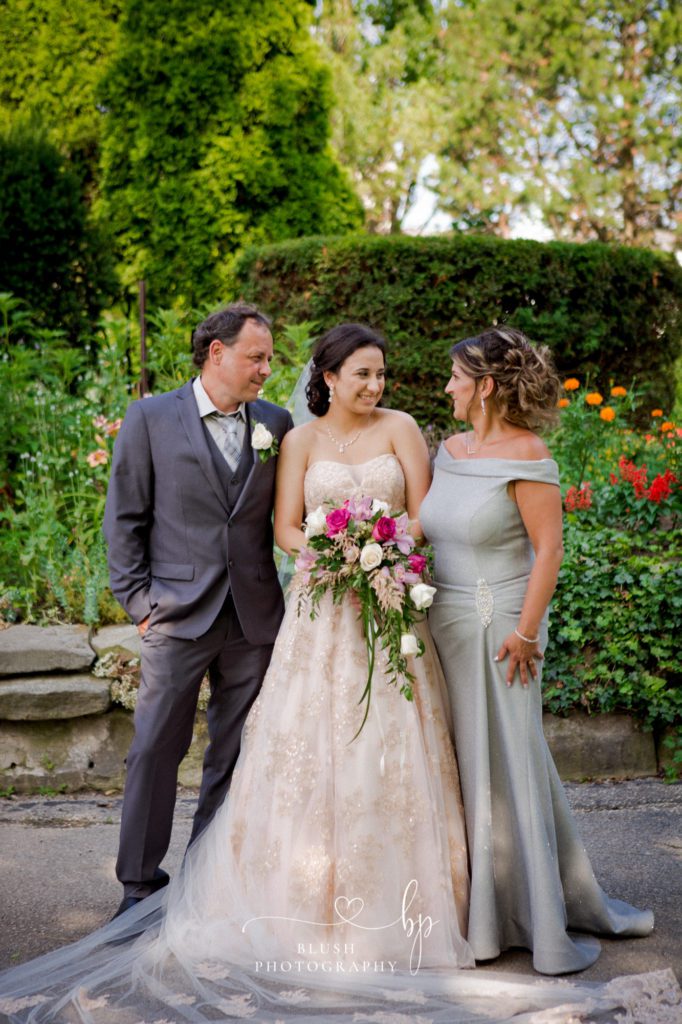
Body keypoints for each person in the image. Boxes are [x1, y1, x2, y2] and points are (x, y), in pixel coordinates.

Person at [0, 324, 678, 1023]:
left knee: (393, 747)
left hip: (388, 604)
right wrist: (334, 549)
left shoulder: (401, 430)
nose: (376, 385)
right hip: (316, 613)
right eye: (363, 374)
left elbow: (426, 516)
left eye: (381, 374)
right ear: (327, 378)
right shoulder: (293, 438)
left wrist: (381, 552)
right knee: (278, 750)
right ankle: (168, 888)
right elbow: (284, 527)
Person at [421, 326, 655, 976]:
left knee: (511, 757)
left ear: (485, 386)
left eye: (456, 377)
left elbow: (548, 550)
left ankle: (534, 917)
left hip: (504, 628)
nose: (447, 387)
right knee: (461, 761)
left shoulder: (528, 455)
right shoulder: (449, 451)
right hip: (441, 623)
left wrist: (526, 632)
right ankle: (482, 907)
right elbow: (431, 527)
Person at [102, 302, 294, 917]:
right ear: (217, 352)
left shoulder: (277, 423)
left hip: (253, 617)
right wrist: (139, 605)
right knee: (155, 748)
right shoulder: (151, 418)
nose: (266, 369)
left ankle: (209, 879)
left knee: (235, 753)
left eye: (269, 359)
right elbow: (124, 520)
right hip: (176, 614)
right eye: (256, 357)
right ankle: (139, 885)